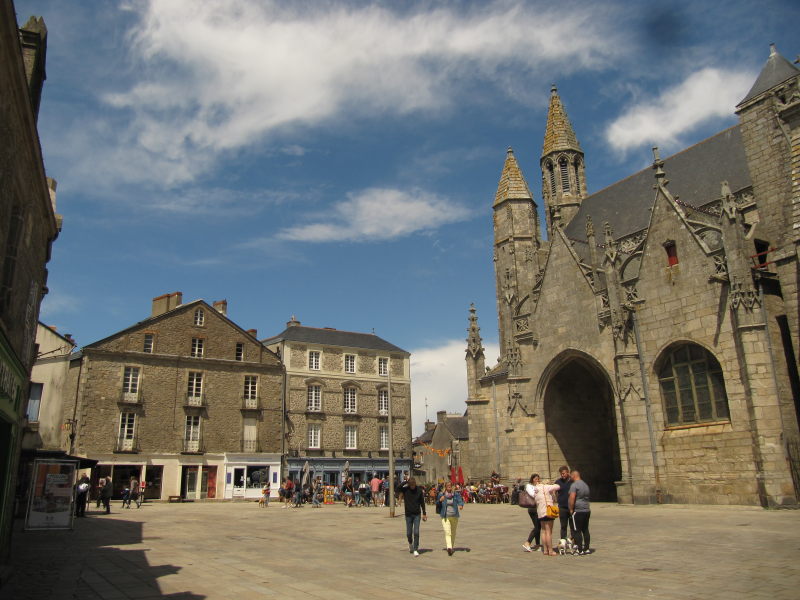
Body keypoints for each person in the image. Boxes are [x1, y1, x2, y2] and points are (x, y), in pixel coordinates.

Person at [398, 477, 427, 556]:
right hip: (408, 514)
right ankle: (410, 543)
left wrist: (424, 513)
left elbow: (422, 502)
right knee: (409, 533)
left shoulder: (419, 490)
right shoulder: (406, 489)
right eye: (411, 485)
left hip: (417, 514)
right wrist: (405, 482)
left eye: (413, 485)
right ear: (409, 484)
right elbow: (398, 488)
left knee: (416, 532)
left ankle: (415, 548)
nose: (412, 487)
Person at [531, 477, 560, 556]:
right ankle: (550, 551)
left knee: (543, 531)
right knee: (549, 532)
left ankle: (545, 550)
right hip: (548, 511)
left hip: (540, 512)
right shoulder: (546, 487)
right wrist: (551, 485)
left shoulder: (536, 489)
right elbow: (558, 486)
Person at [437, 481, 465, 556]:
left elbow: (460, 500)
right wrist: (440, 500)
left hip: (454, 516)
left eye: (450, 485)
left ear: (452, 486)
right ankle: (449, 548)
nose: (449, 486)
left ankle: (451, 547)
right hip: (445, 516)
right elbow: (437, 503)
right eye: (447, 485)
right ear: (445, 487)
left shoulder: (455, 494)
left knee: (453, 533)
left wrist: (461, 505)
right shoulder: (441, 494)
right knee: (447, 532)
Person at [569, 470, 591, 555]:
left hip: (578, 510)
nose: (570, 478)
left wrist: (571, 509)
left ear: (574, 476)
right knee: (585, 529)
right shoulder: (585, 485)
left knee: (576, 530)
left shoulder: (574, 485)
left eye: (571, 476)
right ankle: (587, 548)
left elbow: (572, 497)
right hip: (586, 510)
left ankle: (579, 549)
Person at [521, 474, 541, 552]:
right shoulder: (529, 486)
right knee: (537, 527)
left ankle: (537, 544)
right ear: (532, 479)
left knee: (538, 526)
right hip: (532, 509)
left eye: (538, 479)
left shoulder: (538, 486)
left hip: (538, 508)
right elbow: (533, 494)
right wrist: (538, 489)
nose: (537, 480)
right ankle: (527, 542)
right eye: (536, 479)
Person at [553, 465, 573, 542]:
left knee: (572, 526)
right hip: (562, 507)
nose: (562, 475)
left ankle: (574, 541)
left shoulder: (572, 481)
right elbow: (553, 492)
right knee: (563, 526)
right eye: (561, 473)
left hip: (571, 507)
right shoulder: (558, 482)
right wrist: (555, 498)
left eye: (564, 473)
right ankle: (563, 542)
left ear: (568, 473)